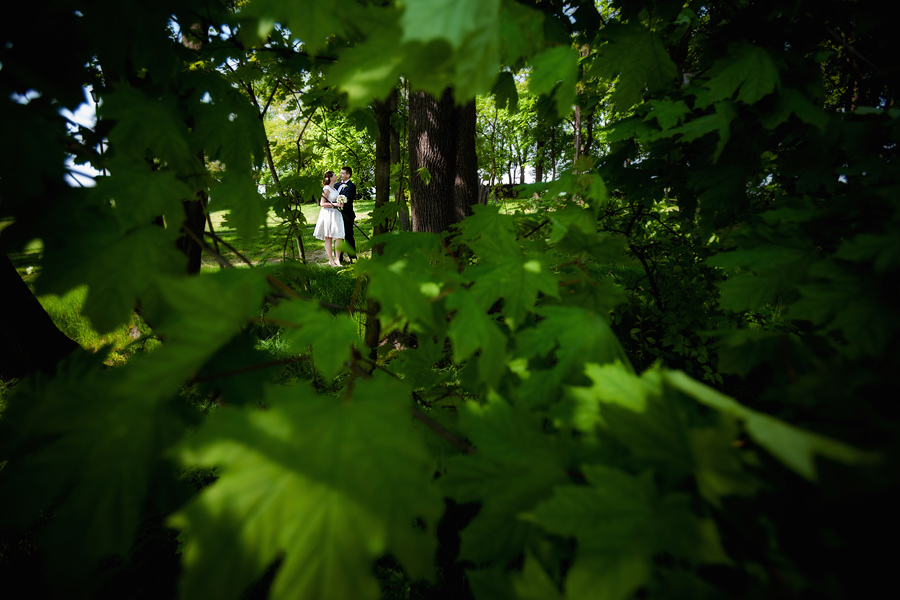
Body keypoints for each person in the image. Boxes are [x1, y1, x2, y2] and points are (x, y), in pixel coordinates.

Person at [313, 170, 345, 266]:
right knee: (329, 237)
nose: (336, 176)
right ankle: (331, 260)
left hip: (336, 214)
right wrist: (336, 204)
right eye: (335, 175)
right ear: (330, 178)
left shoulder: (335, 189)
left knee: (339, 236)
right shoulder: (326, 188)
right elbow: (322, 203)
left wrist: (341, 203)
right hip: (328, 214)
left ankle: (337, 259)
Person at [334, 166, 356, 264]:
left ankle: (352, 257)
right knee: (338, 236)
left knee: (348, 236)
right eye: (340, 172)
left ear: (348, 175)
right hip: (336, 215)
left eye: (343, 173)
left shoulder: (351, 186)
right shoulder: (335, 185)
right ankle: (339, 258)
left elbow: (348, 199)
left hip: (347, 214)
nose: (340, 175)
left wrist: (339, 201)